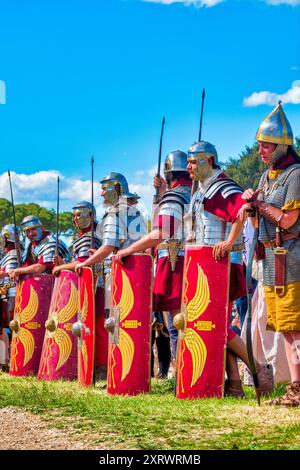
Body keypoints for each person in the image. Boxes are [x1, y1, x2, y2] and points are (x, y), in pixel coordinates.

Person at [187, 140, 274, 398]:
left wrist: (228, 241)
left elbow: (243, 209)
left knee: (217, 325)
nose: (189, 167)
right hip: (208, 265)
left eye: (194, 161)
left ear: (209, 161)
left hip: (223, 265)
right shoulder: (203, 190)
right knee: (217, 324)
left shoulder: (222, 186)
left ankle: (259, 370)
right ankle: (234, 383)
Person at [242, 101, 300, 406]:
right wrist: (254, 207)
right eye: (260, 146)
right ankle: (294, 388)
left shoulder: (295, 175)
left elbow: (288, 220)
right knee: (286, 329)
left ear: (281, 146)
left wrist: (261, 205)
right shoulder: (268, 178)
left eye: (266, 146)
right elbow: (259, 223)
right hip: (272, 262)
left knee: (294, 328)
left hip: (292, 258)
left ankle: (298, 387)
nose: (261, 151)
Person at [115, 151, 191, 357]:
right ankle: (180, 371)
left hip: (174, 260)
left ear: (168, 173)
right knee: (179, 323)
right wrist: (161, 193)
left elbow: (162, 231)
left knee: (178, 322)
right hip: (184, 259)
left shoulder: (175, 197)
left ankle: (183, 372)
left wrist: (130, 249)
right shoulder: (193, 195)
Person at [52, 201, 107, 375]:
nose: (76, 219)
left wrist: (60, 268)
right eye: (74, 216)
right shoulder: (84, 236)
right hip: (87, 285)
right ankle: (95, 364)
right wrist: (64, 264)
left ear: (91, 216)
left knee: (96, 324)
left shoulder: (90, 236)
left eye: (80, 215)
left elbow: (83, 263)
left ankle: (101, 365)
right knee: (92, 323)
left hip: (94, 285)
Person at [75, 172, 147, 276]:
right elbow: (122, 245)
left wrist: (85, 263)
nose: (102, 193)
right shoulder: (133, 211)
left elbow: (108, 247)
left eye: (104, 189)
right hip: (137, 268)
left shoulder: (115, 212)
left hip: (125, 270)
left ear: (116, 188)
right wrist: (99, 254)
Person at [9, 215, 70, 281]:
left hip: (61, 282)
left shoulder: (50, 242)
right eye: (27, 231)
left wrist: (19, 270)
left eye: (33, 229)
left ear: (41, 227)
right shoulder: (30, 246)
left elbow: (41, 267)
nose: (31, 234)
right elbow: (27, 266)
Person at [0, 225, 22, 370]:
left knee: (11, 327)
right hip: (5, 294)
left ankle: (9, 359)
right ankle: (5, 360)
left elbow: (10, 275)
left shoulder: (14, 253)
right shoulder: (10, 253)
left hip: (11, 295)